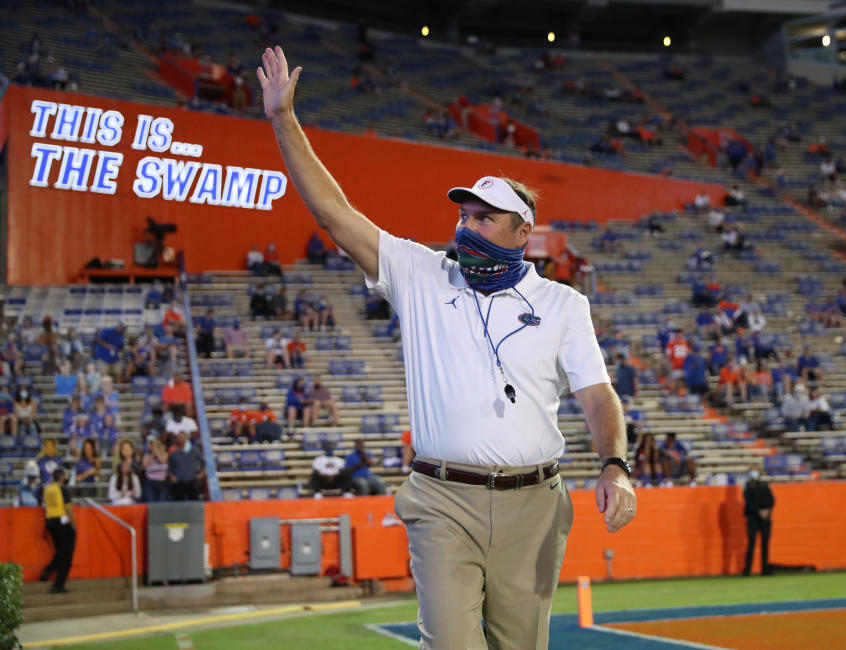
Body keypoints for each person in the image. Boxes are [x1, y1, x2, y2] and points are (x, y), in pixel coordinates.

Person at [258, 46, 634, 649]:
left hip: (535, 503)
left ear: (522, 232)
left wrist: (616, 465)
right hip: (441, 499)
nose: (467, 225)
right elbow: (334, 214)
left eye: (486, 218)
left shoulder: (564, 304)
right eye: (465, 214)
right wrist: (283, 118)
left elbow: (597, 396)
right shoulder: (422, 273)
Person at [40, 468, 76, 593]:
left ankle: (48, 570)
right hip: (62, 523)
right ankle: (58, 584)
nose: (67, 477)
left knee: (60, 552)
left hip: (50, 522)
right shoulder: (62, 489)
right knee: (66, 555)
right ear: (61, 477)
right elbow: (68, 509)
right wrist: (73, 525)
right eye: (65, 475)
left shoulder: (47, 488)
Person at [742, 464, 774, 576]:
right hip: (753, 518)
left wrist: (767, 511)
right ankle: (747, 569)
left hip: (765, 519)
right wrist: (759, 511)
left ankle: (765, 569)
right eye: (752, 471)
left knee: (765, 544)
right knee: (751, 544)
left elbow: (772, 500)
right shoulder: (747, 487)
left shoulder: (764, 486)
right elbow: (748, 503)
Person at [167, 431, 204, 500]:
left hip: (192, 481)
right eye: (179, 438)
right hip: (179, 483)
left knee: (194, 502)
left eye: (182, 437)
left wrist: (201, 474)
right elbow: (170, 467)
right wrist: (172, 476)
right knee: (179, 503)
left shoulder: (194, 450)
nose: (181, 439)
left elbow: (203, 463)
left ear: (187, 438)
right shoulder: (174, 453)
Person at [142, 436, 169, 502]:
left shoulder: (165, 454)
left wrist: (155, 450)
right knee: (151, 502)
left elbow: (163, 461)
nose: (150, 445)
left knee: (162, 502)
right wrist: (152, 453)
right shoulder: (146, 456)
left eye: (152, 443)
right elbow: (145, 465)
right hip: (150, 482)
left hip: (162, 482)